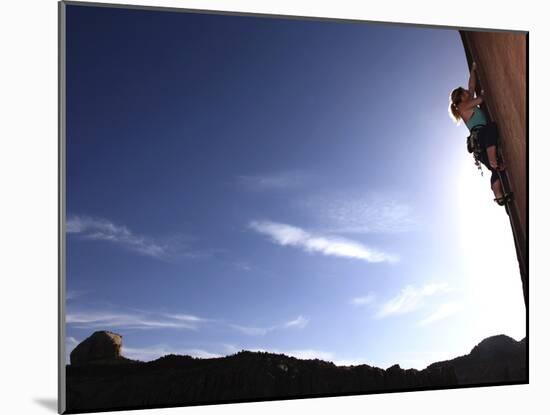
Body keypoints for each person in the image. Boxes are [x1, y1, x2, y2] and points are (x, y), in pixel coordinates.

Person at [448, 62, 510, 206]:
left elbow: (471, 86)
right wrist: (480, 96)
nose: (468, 92)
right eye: (465, 92)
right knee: (491, 128)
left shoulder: (466, 104)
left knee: (495, 171)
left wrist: (473, 70)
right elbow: (480, 99)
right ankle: (493, 160)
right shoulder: (462, 106)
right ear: (461, 97)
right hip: (481, 137)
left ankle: (497, 192)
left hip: (480, 148)